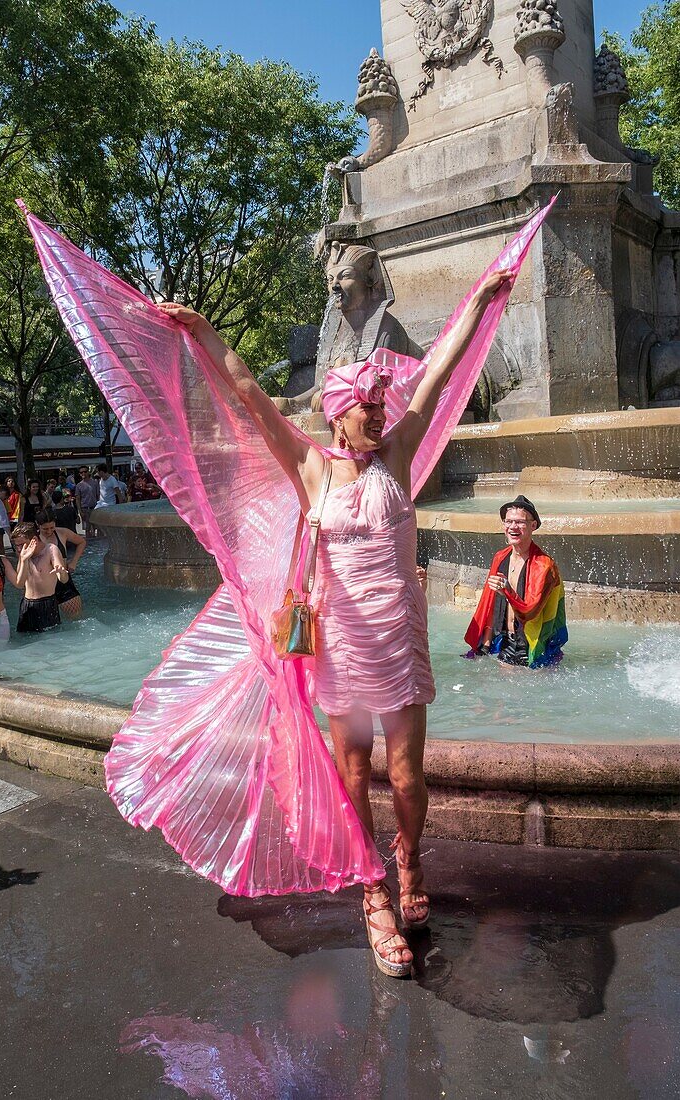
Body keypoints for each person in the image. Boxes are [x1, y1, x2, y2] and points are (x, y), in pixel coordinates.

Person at [156, 267, 514, 978]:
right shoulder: (310, 468)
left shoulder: (400, 453)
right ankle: (372, 889)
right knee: (353, 775)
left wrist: (476, 302)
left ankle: (409, 862)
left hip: (398, 639)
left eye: (383, 405)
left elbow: (440, 370)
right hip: (343, 648)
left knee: (408, 779)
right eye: (369, 407)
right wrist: (200, 331)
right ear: (338, 414)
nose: (381, 413)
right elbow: (249, 392)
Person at [464, 495, 568, 668]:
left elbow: (531, 611)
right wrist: (486, 643)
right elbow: (489, 603)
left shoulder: (544, 565)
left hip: (533, 646)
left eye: (520, 522)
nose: (513, 527)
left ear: (533, 525)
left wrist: (507, 590)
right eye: (508, 521)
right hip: (506, 642)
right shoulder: (500, 557)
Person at [10, 522, 68, 633]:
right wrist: (23, 560)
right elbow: (20, 584)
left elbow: (63, 579)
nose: (18, 549)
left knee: (50, 640)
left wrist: (61, 572)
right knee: (24, 640)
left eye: (22, 544)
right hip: (27, 604)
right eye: (16, 545)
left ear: (34, 540)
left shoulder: (50, 550)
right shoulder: (23, 555)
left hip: (46, 604)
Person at [36, 508, 85, 618]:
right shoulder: (33, 539)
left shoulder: (62, 532)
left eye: (51, 527)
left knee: (76, 619)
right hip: (44, 584)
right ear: (37, 525)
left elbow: (81, 542)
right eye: (45, 529)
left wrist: (74, 562)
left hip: (64, 582)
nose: (49, 531)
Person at [74, 467, 99, 531]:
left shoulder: (95, 483)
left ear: (88, 472)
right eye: (81, 472)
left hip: (94, 508)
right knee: (87, 529)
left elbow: (98, 496)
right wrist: (80, 512)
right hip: (85, 510)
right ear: (79, 474)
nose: (83, 473)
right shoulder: (78, 485)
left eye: (85, 471)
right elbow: (78, 499)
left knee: (97, 528)